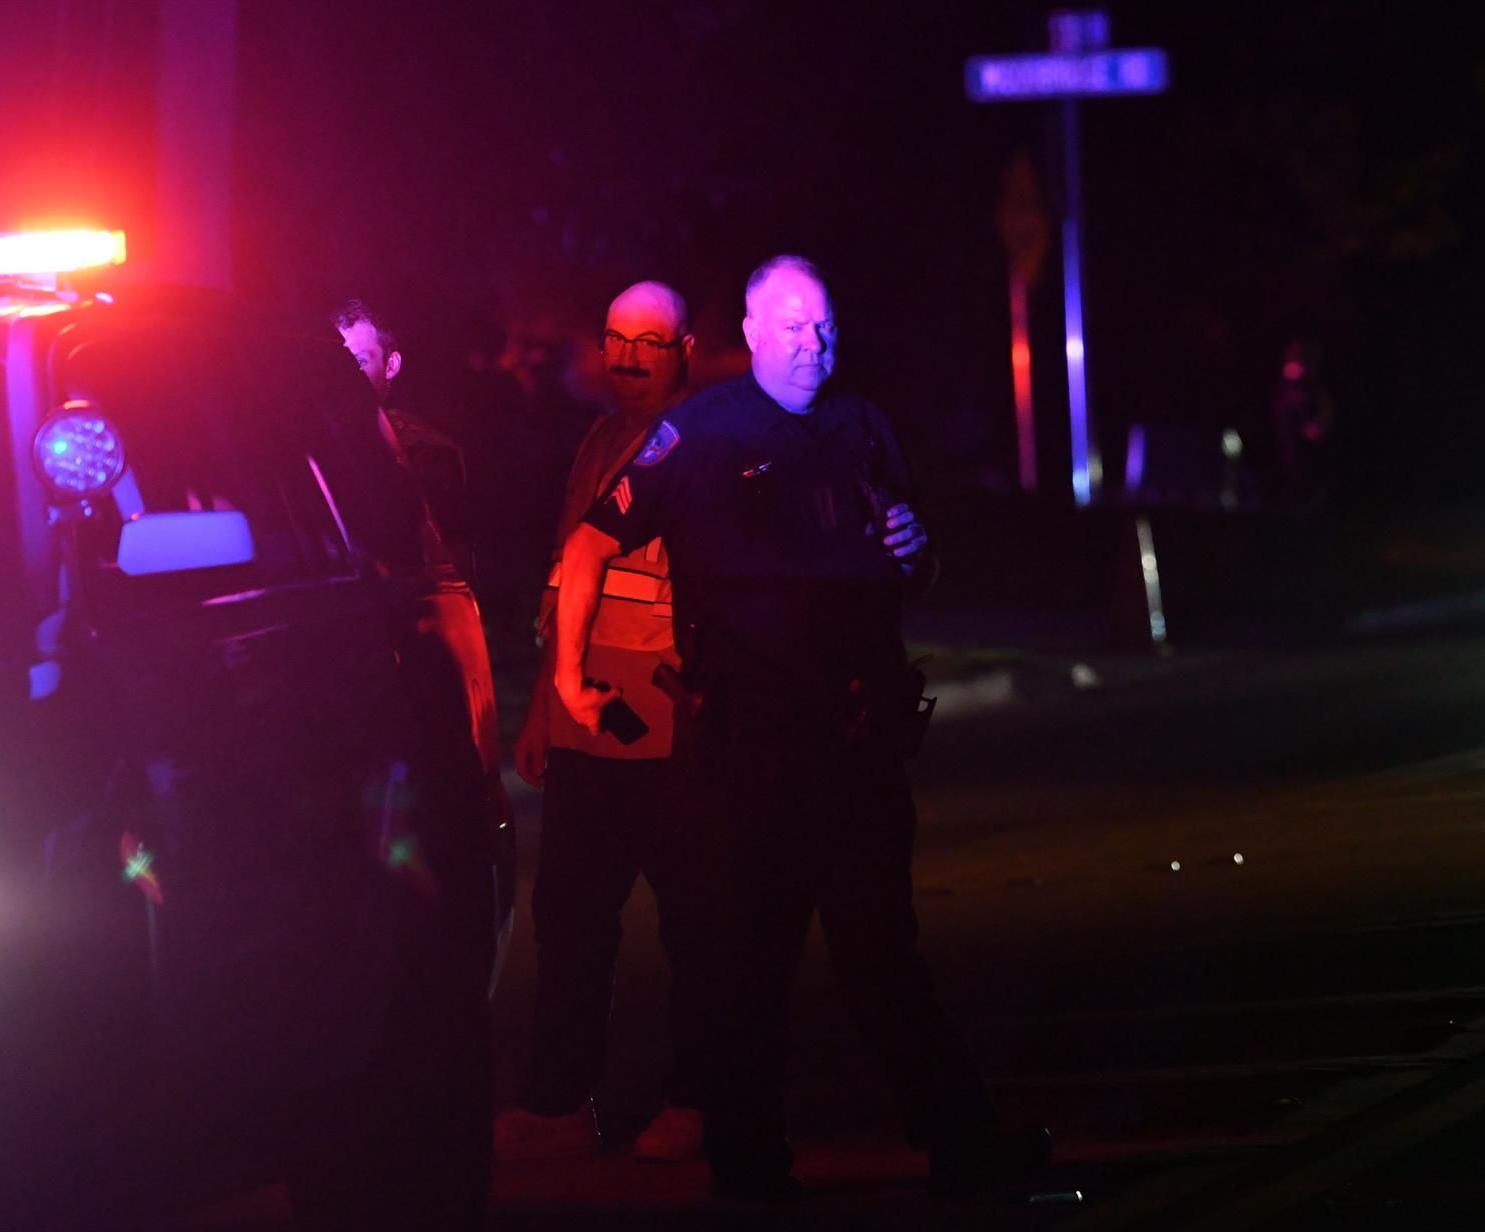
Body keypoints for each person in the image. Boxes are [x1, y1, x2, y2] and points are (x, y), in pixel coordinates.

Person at [553, 255, 1050, 1199]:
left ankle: (961, 1144)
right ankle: (748, 1169)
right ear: (749, 332)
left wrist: (915, 547)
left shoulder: (861, 427)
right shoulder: (693, 434)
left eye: (823, 326)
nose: (811, 345)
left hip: (855, 743)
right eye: (791, 326)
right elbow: (591, 539)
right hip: (747, 751)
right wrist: (573, 678)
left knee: (882, 954)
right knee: (750, 968)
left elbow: (916, 565)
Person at [508, 281, 705, 1162]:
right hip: (589, 720)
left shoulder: (703, 443)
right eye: (617, 339)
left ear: (685, 348)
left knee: (697, 921)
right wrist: (546, 706)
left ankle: (700, 1104)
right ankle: (557, 1106)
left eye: (650, 341)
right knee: (570, 914)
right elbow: (564, 580)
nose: (628, 357)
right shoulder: (598, 438)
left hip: (670, 723)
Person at [332, 299, 479, 583]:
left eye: (360, 362)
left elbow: (454, 571)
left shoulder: (430, 452)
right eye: (340, 364)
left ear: (391, 365)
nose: (347, 377)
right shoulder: (317, 441)